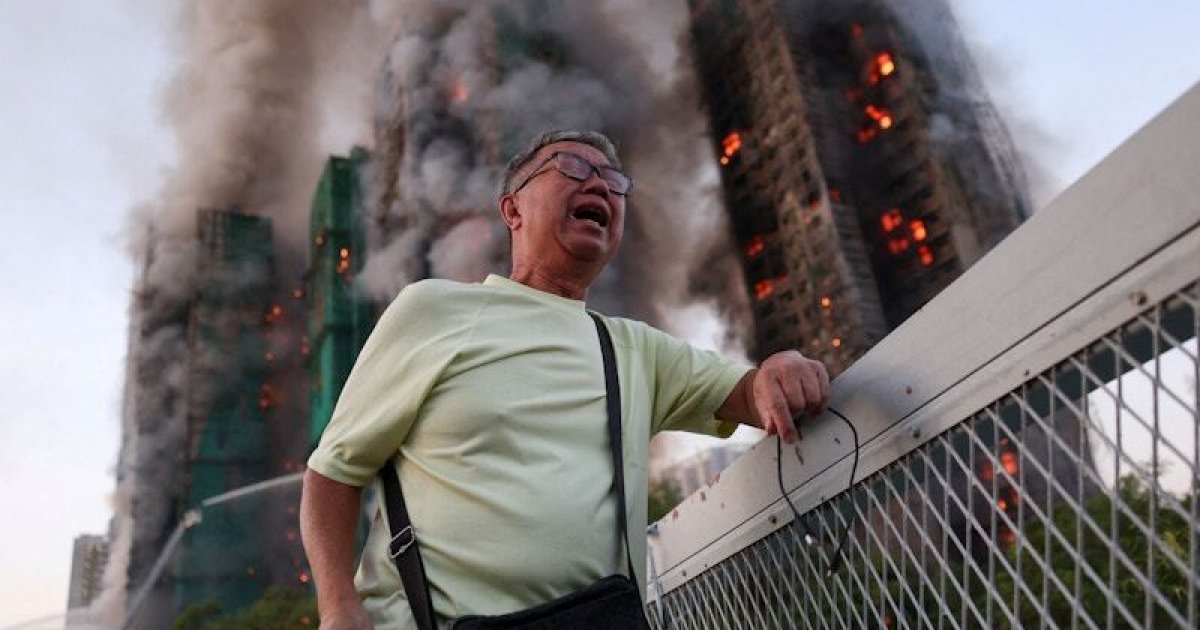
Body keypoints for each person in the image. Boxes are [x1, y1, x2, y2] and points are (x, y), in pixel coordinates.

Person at [300, 130, 830, 630]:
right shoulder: (434, 309)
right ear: (512, 210)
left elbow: (743, 392)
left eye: (615, 181)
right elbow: (334, 471)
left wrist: (777, 372)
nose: (600, 184)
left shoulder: (634, 348)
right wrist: (337, 608)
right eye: (573, 166)